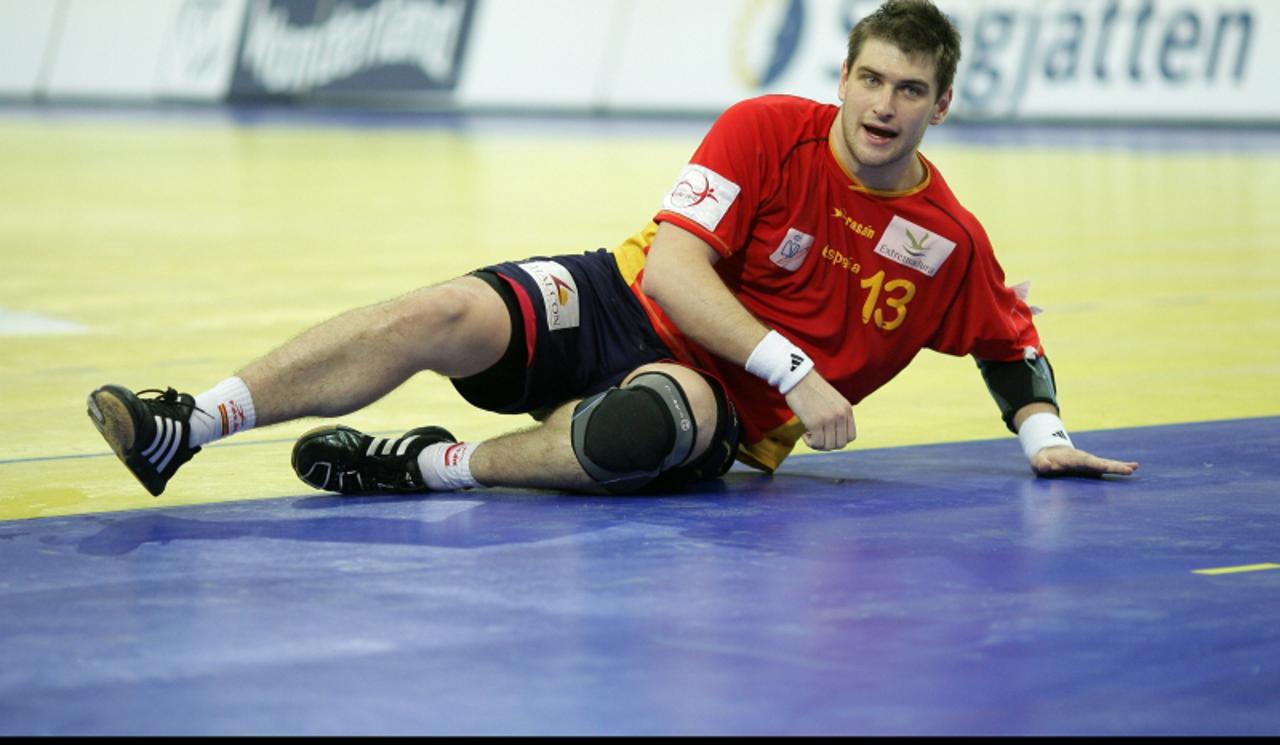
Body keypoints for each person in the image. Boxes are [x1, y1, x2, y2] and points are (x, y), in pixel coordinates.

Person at [87, 0, 1137, 500]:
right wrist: (799, 369)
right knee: (437, 314)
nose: (882, 104)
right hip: (619, 296)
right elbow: (677, 268)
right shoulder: (765, 128)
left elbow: (1006, 337)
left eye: (909, 90)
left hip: (712, 404)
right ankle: (191, 420)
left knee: (648, 424)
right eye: (870, 79)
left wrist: (1038, 436)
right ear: (844, 79)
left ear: (940, 107)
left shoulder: (946, 241)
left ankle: (427, 467)